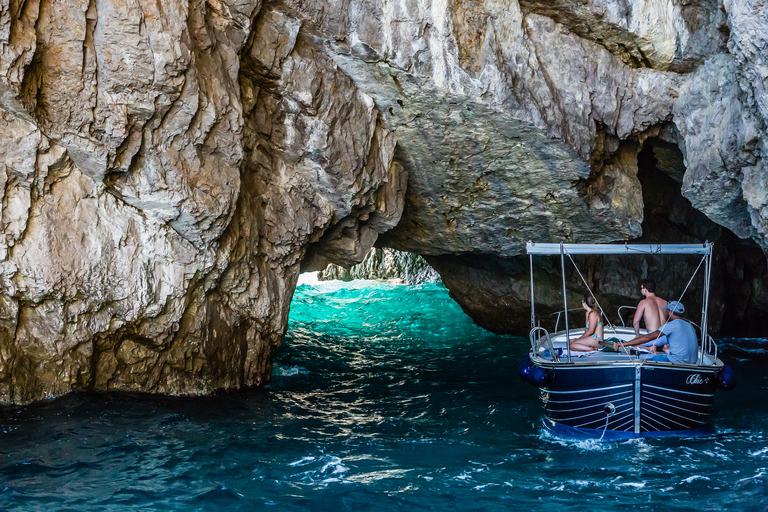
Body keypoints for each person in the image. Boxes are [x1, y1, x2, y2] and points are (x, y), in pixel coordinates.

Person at [612, 301, 697, 363]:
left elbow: (647, 338)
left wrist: (623, 344)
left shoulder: (672, 325)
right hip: (692, 363)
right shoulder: (690, 326)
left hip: (676, 362)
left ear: (670, 312)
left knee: (641, 363)